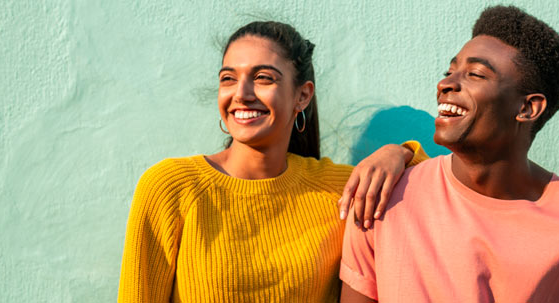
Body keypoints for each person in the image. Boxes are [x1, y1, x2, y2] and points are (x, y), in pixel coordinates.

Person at [339, 6, 559, 303]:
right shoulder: (382, 198)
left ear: (528, 108)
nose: (446, 83)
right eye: (450, 70)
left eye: (475, 74)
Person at [117, 21, 428, 302]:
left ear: (302, 96)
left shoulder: (339, 191)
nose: (241, 93)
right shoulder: (171, 186)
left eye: (263, 78)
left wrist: (399, 153)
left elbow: (442, 191)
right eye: (228, 78)